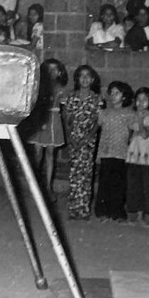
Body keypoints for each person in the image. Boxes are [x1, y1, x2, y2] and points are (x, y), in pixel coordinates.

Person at [23, 58, 68, 202]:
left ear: (60, 72)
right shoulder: (38, 87)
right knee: (37, 154)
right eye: (49, 69)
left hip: (54, 121)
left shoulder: (61, 89)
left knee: (50, 154)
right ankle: (35, 185)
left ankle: (48, 187)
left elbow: (65, 108)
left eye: (55, 69)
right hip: (41, 119)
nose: (52, 72)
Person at [62, 64, 102, 221]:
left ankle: (84, 209)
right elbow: (67, 119)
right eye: (81, 76)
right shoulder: (72, 97)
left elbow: (97, 122)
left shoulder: (96, 99)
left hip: (88, 140)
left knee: (86, 174)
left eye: (88, 76)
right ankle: (73, 209)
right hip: (74, 139)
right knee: (74, 174)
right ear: (77, 79)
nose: (84, 79)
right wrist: (70, 137)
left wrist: (88, 137)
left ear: (92, 80)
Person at [94, 80, 134, 223]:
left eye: (117, 93)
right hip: (106, 151)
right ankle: (102, 211)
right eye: (111, 93)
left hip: (121, 152)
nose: (113, 96)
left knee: (119, 184)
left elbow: (132, 131)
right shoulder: (104, 113)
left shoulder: (129, 113)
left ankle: (117, 212)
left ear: (124, 96)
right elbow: (97, 128)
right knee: (104, 182)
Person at [125, 87, 149, 227]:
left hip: (146, 153)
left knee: (148, 185)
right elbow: (131, 133)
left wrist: (140, 119)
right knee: (135, 184)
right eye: (138, 99)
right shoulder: (134, 115)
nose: (140, 103)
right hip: (135, 152)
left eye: (144, 100)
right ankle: (139, 214)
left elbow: (145, 134)